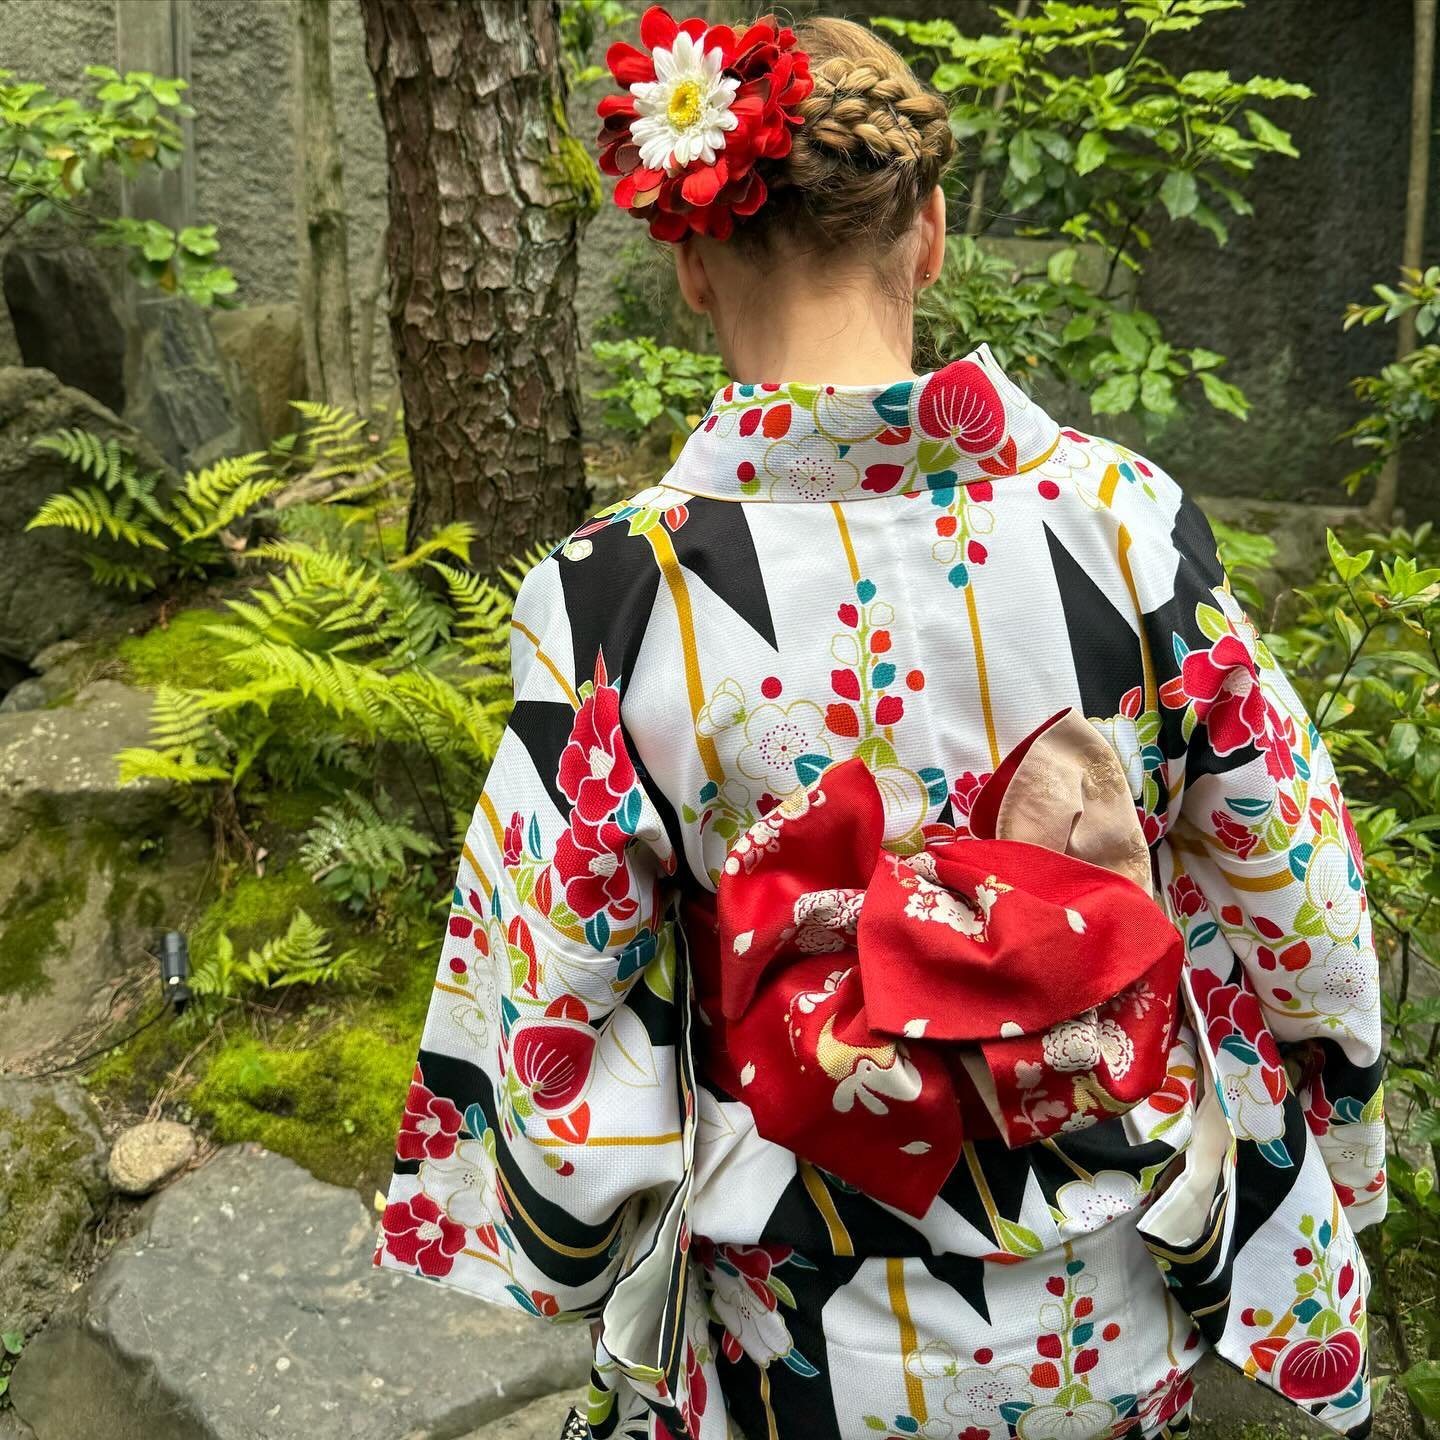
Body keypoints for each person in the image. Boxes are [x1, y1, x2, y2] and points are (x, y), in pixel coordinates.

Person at [374, 11, 1385, 1440]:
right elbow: (1294, 890)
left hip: (793, 1324)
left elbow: (551, 980)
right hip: (1109, 1288)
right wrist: (1330, 1146)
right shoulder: (1126, 527)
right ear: (931, 235)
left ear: (688, 261)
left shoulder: (611, 592)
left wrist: (573, 1237)